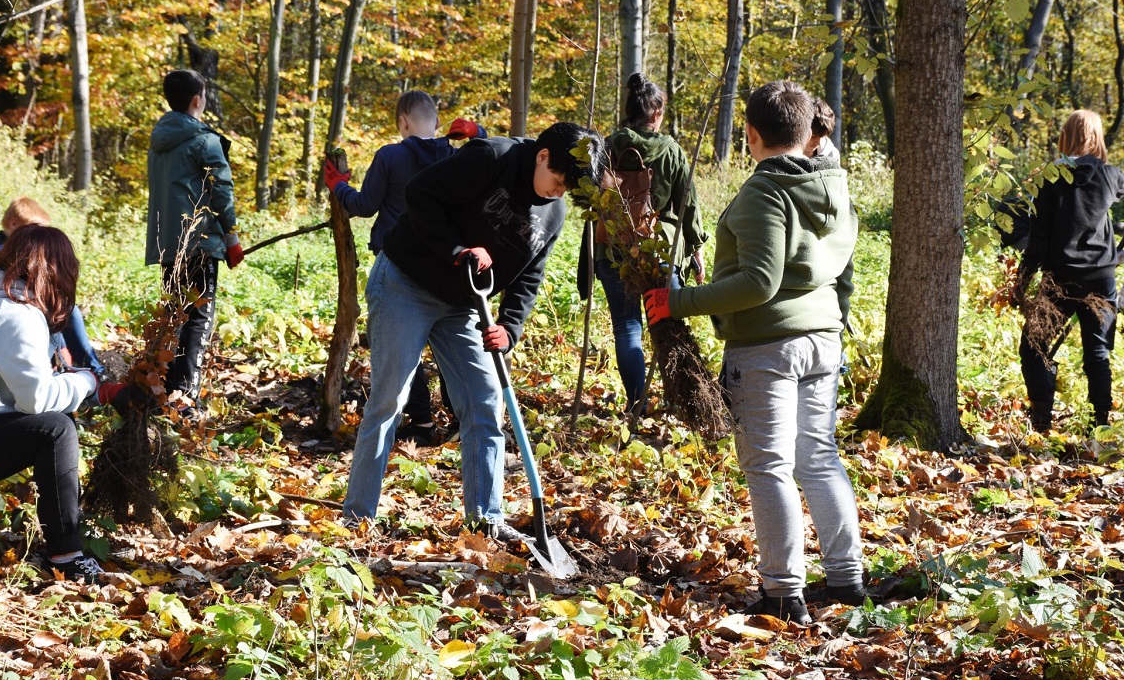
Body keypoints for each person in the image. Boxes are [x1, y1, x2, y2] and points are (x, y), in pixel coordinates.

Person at [642, 81, 863, 624]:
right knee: (817, 456)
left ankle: (785, 594)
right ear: (808, 130)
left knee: (769, 466)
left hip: (769, 345)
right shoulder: (832, 183)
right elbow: (842, 271)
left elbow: (759, 282)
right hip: (822, 339)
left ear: (751, 134)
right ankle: (847, 576)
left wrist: (677, 301)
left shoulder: (767, 190)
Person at [341, 122, 606, 538]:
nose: (558, 192)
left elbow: (528, 278)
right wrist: (455, 248)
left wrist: (510, 328)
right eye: (557, 180)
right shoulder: (491, 157)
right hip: (406, 282)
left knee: (485, 403)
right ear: (542, 157)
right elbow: (420, 195)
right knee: (390, 398)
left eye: (567, 189)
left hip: (465, 304)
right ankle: (357, 519)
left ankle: (487, 520)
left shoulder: (554, 215)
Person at [0, 225, 122, 582]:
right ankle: (66, 556)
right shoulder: (14, 315)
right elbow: (37, 400)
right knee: (55, 429)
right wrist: (88, 380)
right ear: (56, 271)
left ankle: (65, 543)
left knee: (53, 424)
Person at [322, 91, 485, 444]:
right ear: (437, 121)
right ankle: (459, 422)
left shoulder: (391, 155)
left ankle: (423, 423)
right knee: (449, 349)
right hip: (447, 265)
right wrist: (479, 131)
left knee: (402, 352)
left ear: (402, 123)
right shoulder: (455, 155)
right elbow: (497, 156)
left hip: (398, 267)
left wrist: (338, 186)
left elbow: (364, 206)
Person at [597, 73, 708, 414]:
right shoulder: (671, 151)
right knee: (667, 328)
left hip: (614, 249)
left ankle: (637, 403)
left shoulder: (606, 147)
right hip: (660, 249)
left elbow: (591, 200)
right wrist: (697, 249)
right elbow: (687, 203)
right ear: (656, 112)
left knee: (627, 327)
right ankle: (683, 403)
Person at [1014, 110, 1124, 431]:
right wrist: (1117, 256)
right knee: (1098, 354)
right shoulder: (1112, 175)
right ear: (1097, 137)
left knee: (1034, 347)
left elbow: (1038, 240)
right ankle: (1100, 429)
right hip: (1101, 278)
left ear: (1066, 136)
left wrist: (1021, 283)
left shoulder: (1049, 178)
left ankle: (1041, 426)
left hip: (1059, 280)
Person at [146, 69, 244, 414]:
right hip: (198, 240)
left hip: (166, 244)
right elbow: (222, 191)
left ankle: (164, 390)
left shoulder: (160, 139)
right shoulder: (205, 140)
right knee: (198, 316)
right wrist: (231, 237)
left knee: (175, 314)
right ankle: (185, 398)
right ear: (197, 100)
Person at [0, 197, 107, 380]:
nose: (40, 234)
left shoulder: (5, 246)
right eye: (35, 227)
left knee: (62, 307)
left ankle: (81, 365)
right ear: (14, 224)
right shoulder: (2, 252)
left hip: (18, 307)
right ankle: (92, 369)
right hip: (5, 314)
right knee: (66, 310)